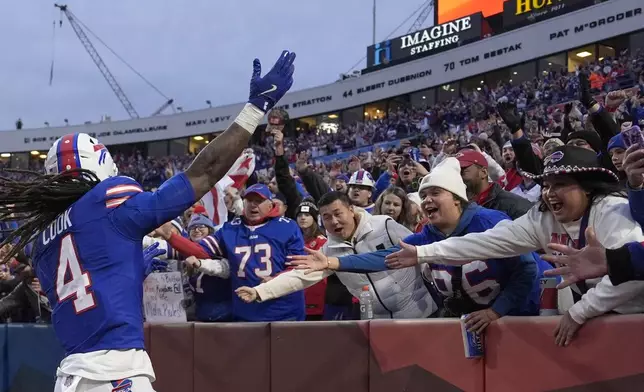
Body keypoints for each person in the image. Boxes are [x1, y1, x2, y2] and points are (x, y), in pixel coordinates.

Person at [0, 50, 296, 392]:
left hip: (72, 375)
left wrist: (128, 267)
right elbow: (206, 172)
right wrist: (254, 109)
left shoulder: (42, 240)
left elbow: (80, 289)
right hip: (113, 373)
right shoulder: (109, 202)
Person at [378, 146, 644, 347]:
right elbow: (488, 242)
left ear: (586, 188)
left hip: (634, 317)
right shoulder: (542, 217)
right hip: (594, 318)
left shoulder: (612, 210)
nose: (550, 193)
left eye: (561, 185)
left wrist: (579, 312)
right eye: (546, 185)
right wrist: (424, 252)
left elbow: (632, 278)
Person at [286, 159, 544, 331]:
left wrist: (496, 311)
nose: (427, 200)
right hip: (477, 322)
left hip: (520, 319)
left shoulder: (490, 220)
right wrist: (334, 262)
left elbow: (527, 270)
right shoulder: (428, 234)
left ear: (456, 198)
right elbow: (388, 256)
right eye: (423, 196)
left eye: (435, 193)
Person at [236, 191, 437, 319]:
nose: (333, 221)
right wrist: (260, 292)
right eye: (326, 217)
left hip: (422, 314)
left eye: (338, 213)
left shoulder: (384, 225)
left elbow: (422, 253)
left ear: (351, 210)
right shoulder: (328, 251)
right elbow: (299, 276)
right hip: (379, 324)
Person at [192, 183, 307, 321]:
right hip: (246, 312)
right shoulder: (230, 229)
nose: (253, 205)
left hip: (285, 312)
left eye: (258, 201)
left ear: (270, 205)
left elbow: (298, 268)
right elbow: (200, 249)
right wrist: (171, 238)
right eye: (249, 200)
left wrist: (277, 280)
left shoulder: (288, 227)